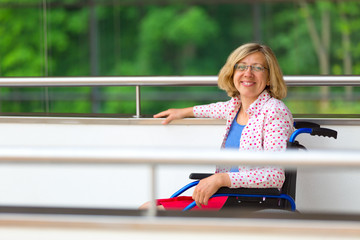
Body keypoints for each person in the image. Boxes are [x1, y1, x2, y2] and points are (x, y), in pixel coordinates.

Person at [140, 43, 294, 211]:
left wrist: (221, 179)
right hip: (226, 195)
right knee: (147, 207)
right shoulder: (235, 107)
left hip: (250, 200)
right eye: (241, 67)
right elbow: (212, 108)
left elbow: (275, 176)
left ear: (270, 77)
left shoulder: (274, 111)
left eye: (257, 68)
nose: (248, 73)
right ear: (233, 73)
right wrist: (182, 112)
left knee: (152, 212)